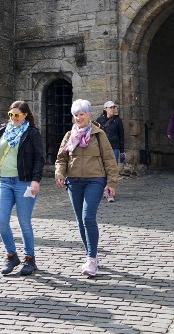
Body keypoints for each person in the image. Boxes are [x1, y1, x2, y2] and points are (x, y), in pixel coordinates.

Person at [0, 101, 44, 277]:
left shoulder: (31, 133)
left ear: (25, 115)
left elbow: (39, 157)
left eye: (17, 115)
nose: (13, 118)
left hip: (24, 182)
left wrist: (35, 180)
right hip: (5, 181)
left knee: (24, 222)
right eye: (11, 115)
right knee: (1, 221)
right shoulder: (4, 131)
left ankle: (29, 258)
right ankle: (11, 255)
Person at [55, 99, 119, 277]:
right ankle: (90, 254)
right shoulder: (69, 135)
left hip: (95, 180)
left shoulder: (99, 135)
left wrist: (111, 182)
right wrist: (60, 174)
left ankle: (91, 258)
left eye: (81, 114)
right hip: (74, 181)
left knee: (88, 217)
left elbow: (109, 160)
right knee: (80, 221)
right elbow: (61, 158)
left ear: (89, 114)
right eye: (76, 115)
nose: (78, 118)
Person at [97, 100, 124, 170]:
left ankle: (112, 180)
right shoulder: (99, 120)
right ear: (105, 109)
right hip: (103, 147)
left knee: (113, 167)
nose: (113, 109)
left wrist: (122, 151)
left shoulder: (118, 120)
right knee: (102, 167)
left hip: (114, 147)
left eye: (113, 107)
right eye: (110, 107)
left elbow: (121, 135)